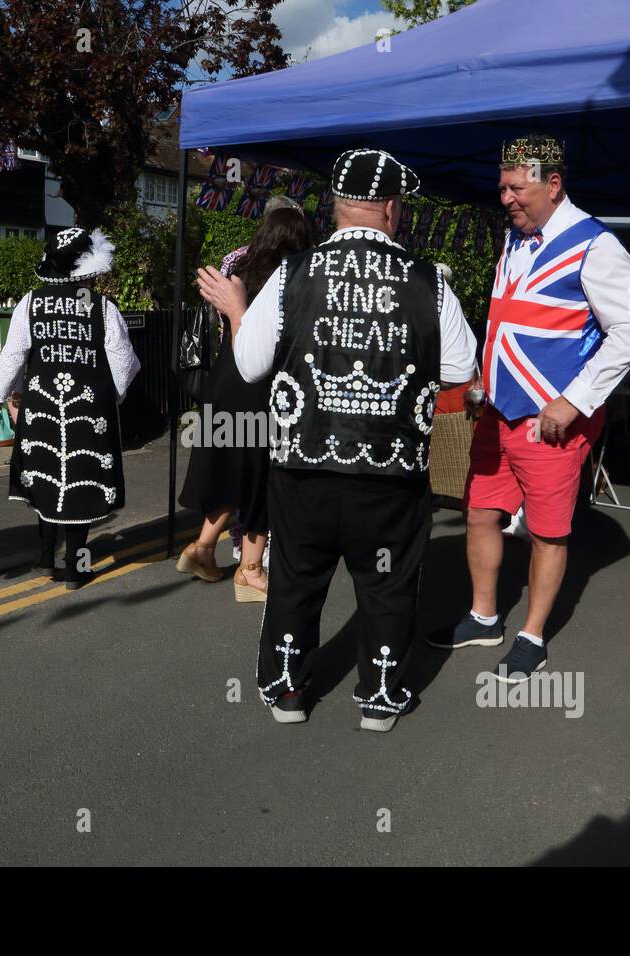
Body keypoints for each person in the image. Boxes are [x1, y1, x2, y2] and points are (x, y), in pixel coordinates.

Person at [198, 148, 478, 733]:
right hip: (392, 470)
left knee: (299, 578)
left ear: (335, 207)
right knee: (387, 583)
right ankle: (378, 696)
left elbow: (250, 366)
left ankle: (288, 691)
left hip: (304, 467)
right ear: (393, 210)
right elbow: (459, 367)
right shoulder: (429, 281)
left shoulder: (292, 275)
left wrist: (239, 312)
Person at [437, 133, 630, 682]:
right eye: (502, 187)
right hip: (497, 411)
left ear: (552, 184)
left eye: (516, 188)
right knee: (481, 512)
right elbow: (506, 321)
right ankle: (485, 616)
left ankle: (532, 636)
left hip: (549, 422)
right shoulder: (517, 237)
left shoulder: (596, 244)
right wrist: (483, 377)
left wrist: (572, 402)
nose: (506, 198)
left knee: (548, 531)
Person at [0, 227, 140, 590]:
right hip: (89, 412)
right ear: (90, 267)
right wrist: (111, 397)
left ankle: (44, 557)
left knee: (47, 482)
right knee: (81, 487)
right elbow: (124, 363)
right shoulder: (102, 307)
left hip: (43, 409)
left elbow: (13, 356)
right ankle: (74, 568)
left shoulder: (31, 302)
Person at [176, 205, 313, 602]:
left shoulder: (237, 266)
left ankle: (202, 547)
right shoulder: (292, 280)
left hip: (225, 379)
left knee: (228, 465)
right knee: (261, 476)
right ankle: (250, 569)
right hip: (259, 383)